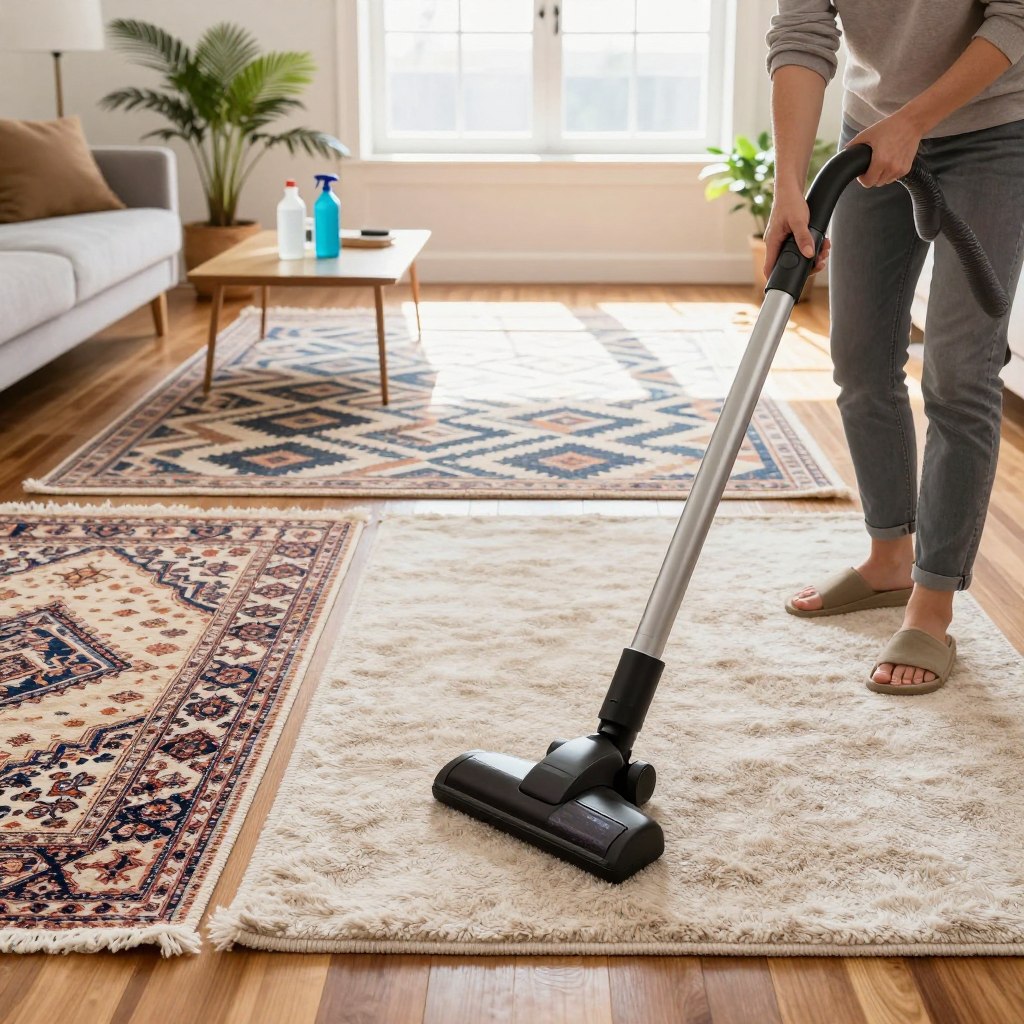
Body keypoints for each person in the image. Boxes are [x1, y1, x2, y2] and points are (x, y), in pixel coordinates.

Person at [765, 1, 1024, 694]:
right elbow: (802, 32)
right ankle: (888, 558)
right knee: (858, 358)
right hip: (871, 129)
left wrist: (915, 121)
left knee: (960, 373)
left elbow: (1016, 17)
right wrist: (789, 183)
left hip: (994, 129)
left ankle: (933, 602)